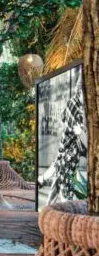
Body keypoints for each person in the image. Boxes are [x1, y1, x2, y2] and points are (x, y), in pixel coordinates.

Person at [38, 77, 87, 206]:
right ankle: (61, 204)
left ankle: (43, 182)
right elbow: (75, 129)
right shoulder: (73, 103)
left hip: (71, 151)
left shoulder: (80, 105)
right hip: (68, 147)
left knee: (59, 174)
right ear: (80, 91)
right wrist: (82, 131)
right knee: (65, 182)